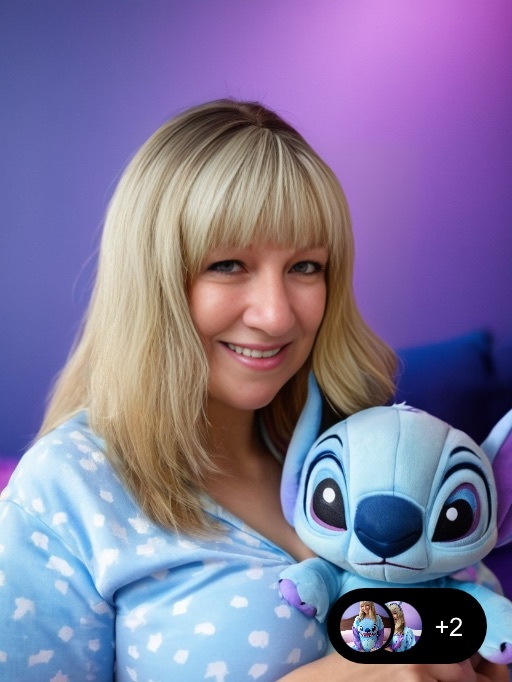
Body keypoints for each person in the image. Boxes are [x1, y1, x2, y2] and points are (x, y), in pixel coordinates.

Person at [0, 99, 507, 682]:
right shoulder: (66, 489)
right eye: (228, 265)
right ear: (153, 280)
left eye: (305, 267)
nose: (276, 315)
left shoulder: (360, 440)